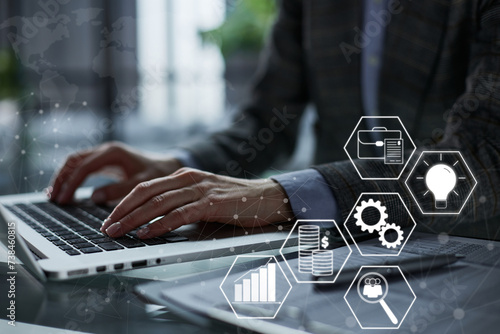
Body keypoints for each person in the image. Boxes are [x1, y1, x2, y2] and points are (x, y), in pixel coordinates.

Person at [48, 0, 500, 239]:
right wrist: (177, 164)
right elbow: (269, 119)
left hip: (471, 254)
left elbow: (481, 159)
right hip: (340, 250)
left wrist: (286, 195)